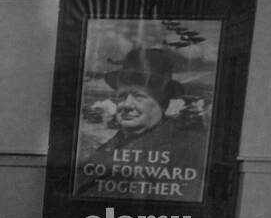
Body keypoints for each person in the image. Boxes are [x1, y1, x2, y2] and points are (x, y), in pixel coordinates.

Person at [76, 47, 209, 201]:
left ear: (163, 102)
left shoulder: (188, 146)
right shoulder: (110, 146)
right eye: (122, 96)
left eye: (139, 96)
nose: (126, 104)